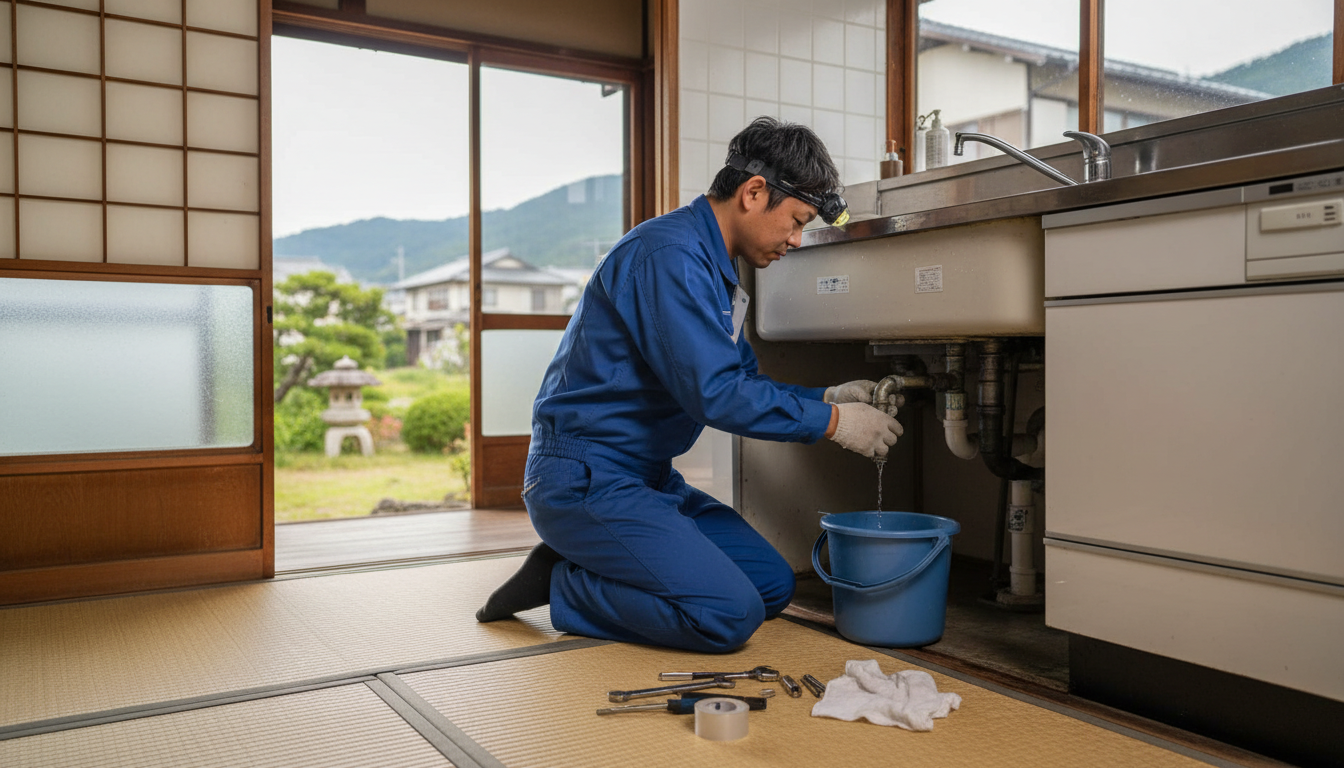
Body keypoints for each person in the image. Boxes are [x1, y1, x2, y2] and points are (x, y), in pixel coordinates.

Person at [475, 117, 903, 653]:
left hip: (648, 479)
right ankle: (565, 584)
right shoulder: (668, 256)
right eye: (796, 221)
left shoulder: (713, 270)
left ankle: (595, 556)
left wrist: (828, 397)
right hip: (586, 478)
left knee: (771, 586)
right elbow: (717, 395)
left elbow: (741, 380)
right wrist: (837, 424)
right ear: (753, 192)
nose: (796, 240)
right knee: (727, 613)